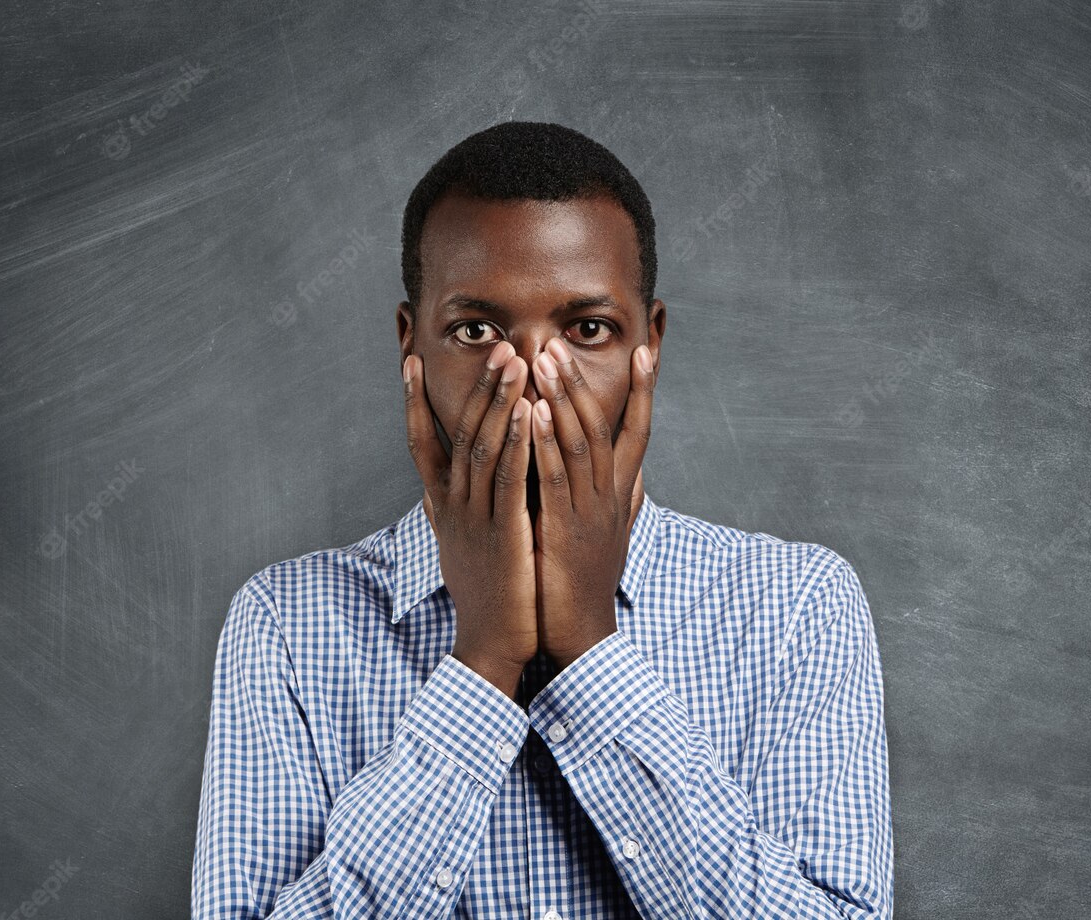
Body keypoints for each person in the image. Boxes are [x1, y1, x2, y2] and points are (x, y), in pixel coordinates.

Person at [191, 121, 893, 919]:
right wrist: (483, 659)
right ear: (408, 344)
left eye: (587, 330)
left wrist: (591, 649)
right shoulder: (287, 624)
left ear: (649, 344)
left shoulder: (797, 607)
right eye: (477, 331)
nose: (527, 382)